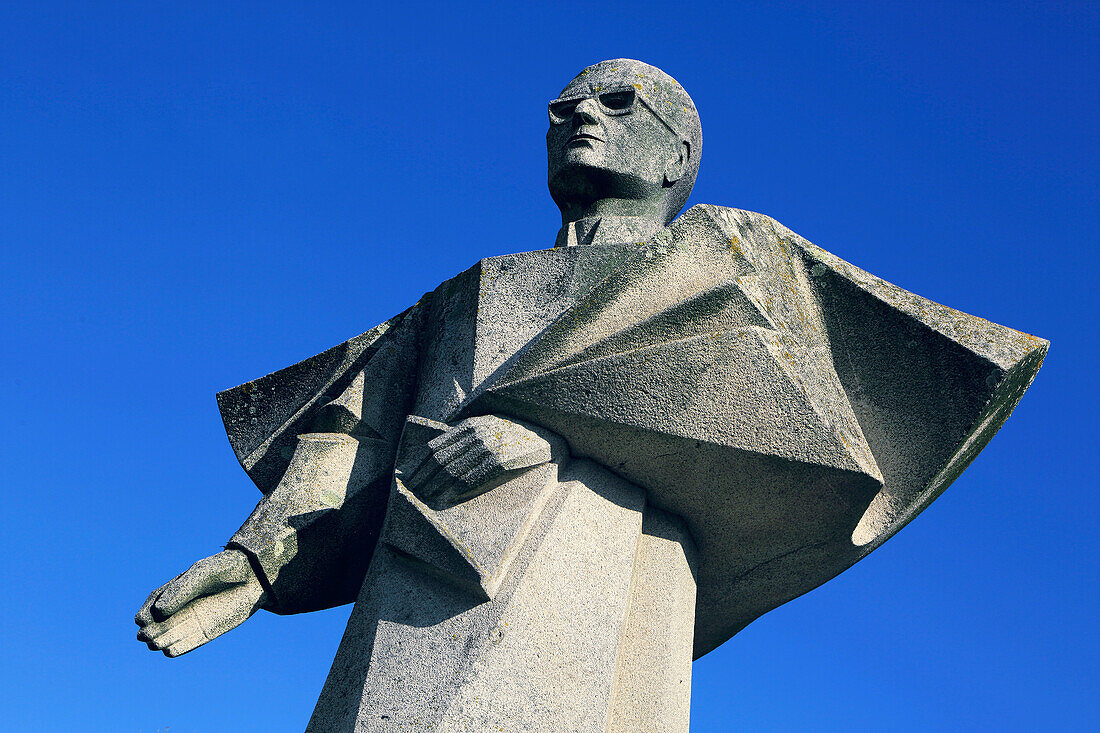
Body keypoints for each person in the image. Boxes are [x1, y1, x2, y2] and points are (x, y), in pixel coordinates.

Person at [137, 60, 1046, 732]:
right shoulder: (463, 293)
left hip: (599, 566)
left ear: (676, 152)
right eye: (565, 105)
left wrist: (550, 429)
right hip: (410, 589)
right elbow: (354, 428)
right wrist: (259, 554)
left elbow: (770, 409)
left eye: (617, 102)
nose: (578, 113)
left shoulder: (727, 259)